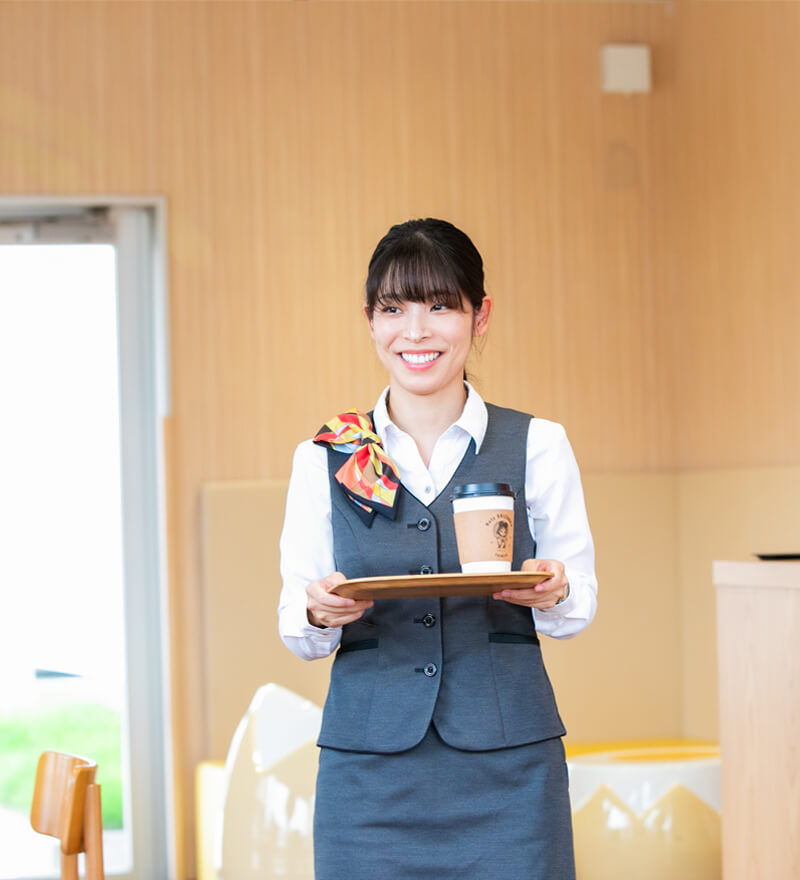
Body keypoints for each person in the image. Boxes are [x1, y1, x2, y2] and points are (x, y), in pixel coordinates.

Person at [278, 218, 597, 880]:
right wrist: (317, 612)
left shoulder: (539, 444)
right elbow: (298, 625)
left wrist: (554, 589)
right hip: (368, 782)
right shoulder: (325, 456)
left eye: (441, 306)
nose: (416, 332)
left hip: (511, 772)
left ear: (481, 316)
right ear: (370, 321)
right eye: (394, 309)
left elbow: (577, 605)